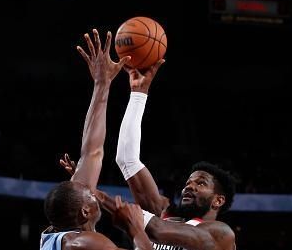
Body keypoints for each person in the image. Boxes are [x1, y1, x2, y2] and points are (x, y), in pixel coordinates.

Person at [61, 59, 237, 250]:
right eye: (189, 182)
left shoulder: (221, 234)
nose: (190, 186)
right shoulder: (165, 212)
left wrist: (94, 193)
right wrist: (138, 92)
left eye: (201, 183)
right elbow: (127, 160)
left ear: (218, 200)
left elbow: (157, 231)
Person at [41, 29, 153, 250]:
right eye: (91, 195)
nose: (95, 194)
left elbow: (92, 152)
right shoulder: (83, 243)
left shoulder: (57, 235)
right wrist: (135, 228)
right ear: (85, 211)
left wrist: (102, 84)